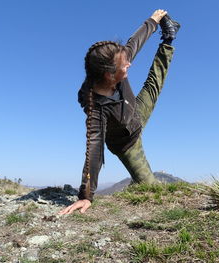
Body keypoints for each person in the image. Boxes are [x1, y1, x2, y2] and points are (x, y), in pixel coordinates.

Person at [59, 9, 180, 215]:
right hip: (127, 143)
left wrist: (153, 21)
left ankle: (169, 38)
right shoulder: (95, 109)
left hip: (136, 111)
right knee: (151, 188)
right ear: (109, 74)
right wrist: (86, 196)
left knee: (154, 82)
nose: (129, 65)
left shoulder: (116, 60)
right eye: (125, 66)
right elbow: (94, 149)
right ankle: (138, 181)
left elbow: (135, 42)